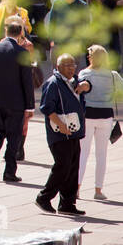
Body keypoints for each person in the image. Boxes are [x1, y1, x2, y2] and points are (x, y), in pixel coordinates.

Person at [0, 18, 35, 183]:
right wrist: (30, 106)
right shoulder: (22, 53)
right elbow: (27, 81)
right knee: (14, 135)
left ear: (6, 32)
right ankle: (9, 172)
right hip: (16, 101)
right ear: (20, 34)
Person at [76, 45, 123, 201]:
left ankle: (77, 188)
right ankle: (98, 190)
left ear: (92, 58)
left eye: (89, 55)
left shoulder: (84, 73)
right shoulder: (112, 75)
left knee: (82, 153)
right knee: (101, 154)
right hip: (106, 116)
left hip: (87, 116)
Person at [36, 54, 89, 215]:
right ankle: (44, 197)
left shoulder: (73, 81)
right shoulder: (53, 83)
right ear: (58, 67)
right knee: (63, 166)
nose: (71, 68)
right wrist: (61, 125)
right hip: (59, 133)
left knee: (73, 167)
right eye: (67, 65)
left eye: (73, 65)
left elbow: (87, 87)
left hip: (74, 131)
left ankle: (67, 203)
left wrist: (86, 85)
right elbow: (47, 108)